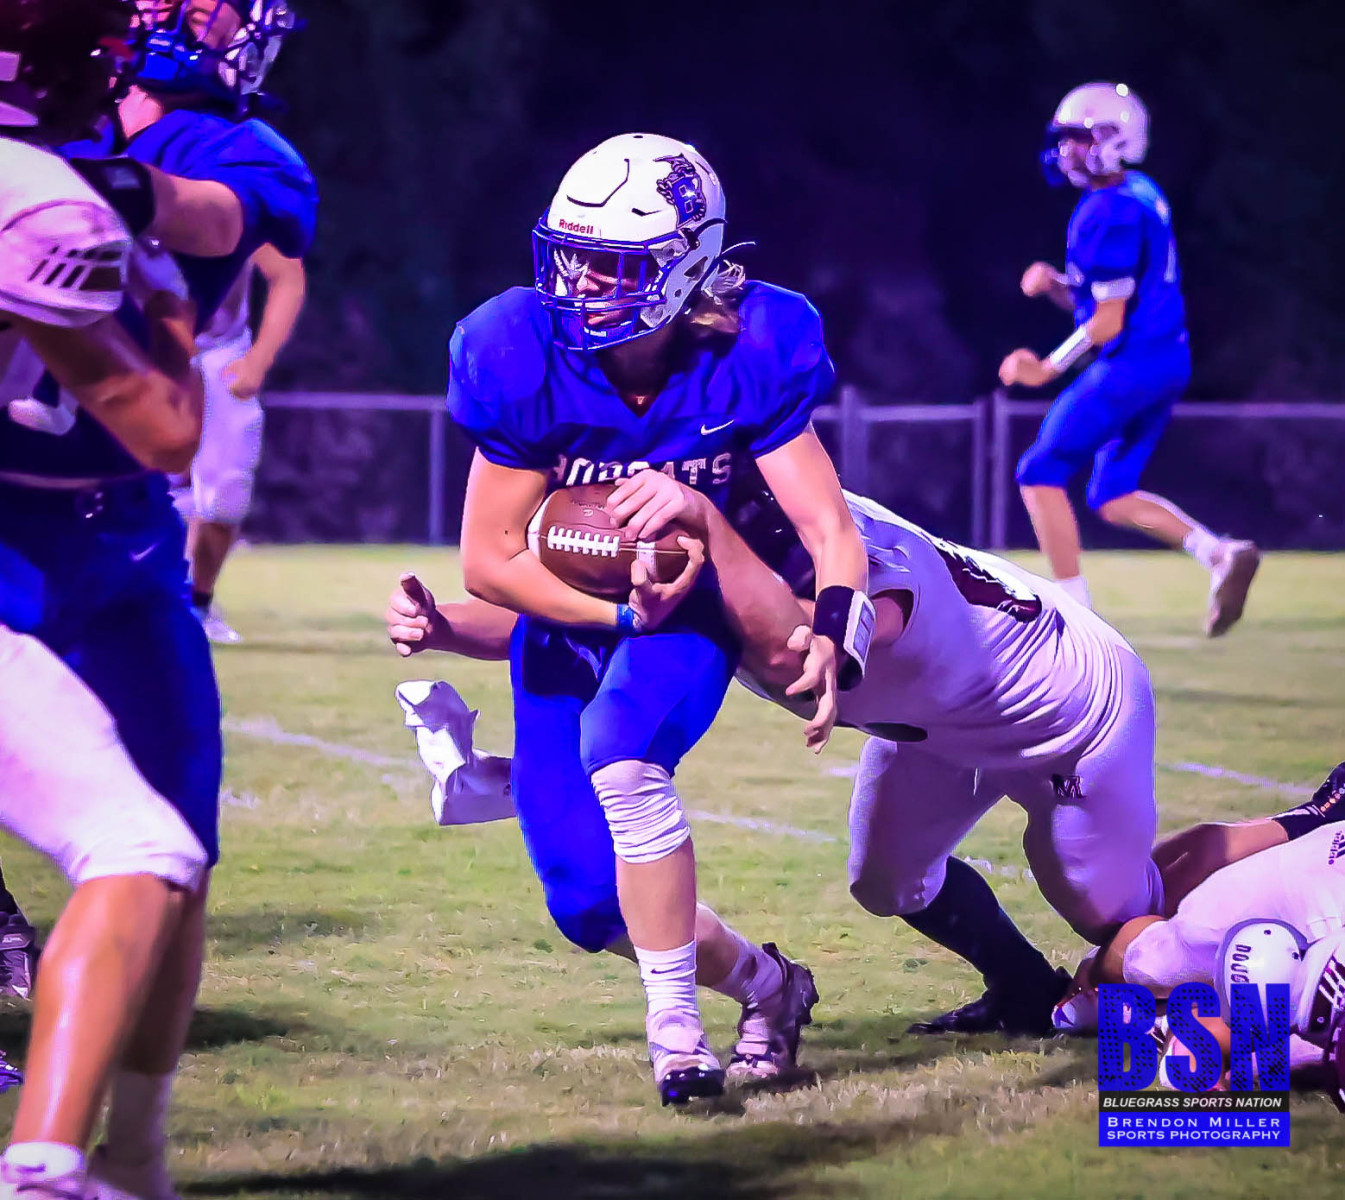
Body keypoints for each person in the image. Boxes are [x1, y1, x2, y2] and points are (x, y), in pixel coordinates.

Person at [390, 468, 1170, 1039]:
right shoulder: (754, 546)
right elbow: (588, 618)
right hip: (939, 725)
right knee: (886, 881)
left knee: (1107, 914)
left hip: (1069, 712)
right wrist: (446, 626)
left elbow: (799, 653)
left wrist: (706, 544)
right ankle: (1024, 987)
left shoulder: (862, 575)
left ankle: (1234, 898)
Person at [445, 132, 871, 1102]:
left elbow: (828, 529)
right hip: (580, 623)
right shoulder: (515, 347)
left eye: (615, 263)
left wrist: (836, 632)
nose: (583, 282)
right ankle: (770, 986)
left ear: (687, 264)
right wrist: (616, 614)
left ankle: (675, 1033)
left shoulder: (753, 344)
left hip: (689, 609)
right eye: (573, 256)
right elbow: (488, 559)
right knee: (585, 902)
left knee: (623, 747)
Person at [2, 2, 316, 1194]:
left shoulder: (226, 144)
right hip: (27, 518)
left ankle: (132, 1153)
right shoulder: (38, 171)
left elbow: (223, 214)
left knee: (171, 850)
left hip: (121, 533)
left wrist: (124, 192)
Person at [0, 2, 214, 1195]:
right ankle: (47, 1169)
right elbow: (167, 430)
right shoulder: (36, 199)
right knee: (141, 843)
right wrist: (171, 308)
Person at [999, 81, 1259, 636]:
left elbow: (1107, 322)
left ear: (1110, 139)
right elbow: (1111, 296)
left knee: (1039, 471)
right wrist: (1058, 286)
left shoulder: (1103, 211)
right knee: (1110, 494)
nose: (1065, 150)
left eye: (1077, 138)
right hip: (1168, 360)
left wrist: (1045, 369)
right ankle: (1218, 553)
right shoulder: (1142, 191)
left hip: (1131, 364)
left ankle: (1077, 617)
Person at [1061, 761, 1345, 1102]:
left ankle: (1173, 1020)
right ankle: (1149, 1001)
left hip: (1320, 913)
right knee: (1148, 964)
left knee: (1301, 1031)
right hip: (1293, 898)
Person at [179, 242, 307, 644]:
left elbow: (287, 274)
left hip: (221, 350)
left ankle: (198, 601)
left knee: (226, 495)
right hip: (138, 348)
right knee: (137, 486)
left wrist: (259, 359)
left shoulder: (237, 203)